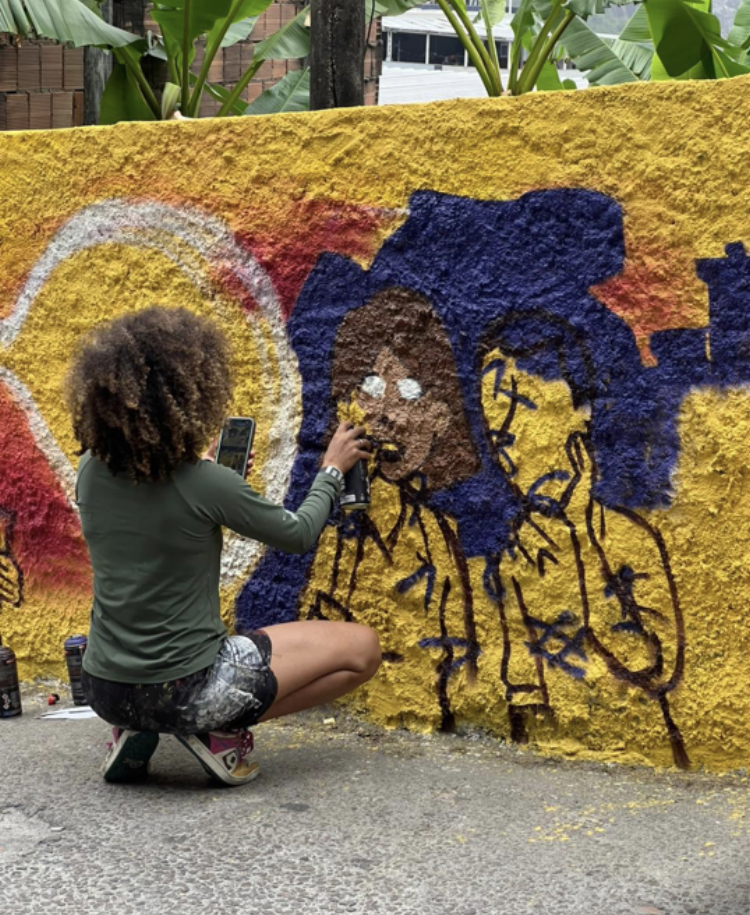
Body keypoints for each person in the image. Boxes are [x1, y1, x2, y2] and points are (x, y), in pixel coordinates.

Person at [66, 305, 381, 786]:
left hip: (104, 689)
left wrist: (214, 478)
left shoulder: (90, 472)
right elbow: (297, 534)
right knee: (363, 649)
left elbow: (163, 518)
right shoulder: (206, 483)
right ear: (190, 397)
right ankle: (221, 730)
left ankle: (132, 730)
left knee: (143, 694)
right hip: (186, 692)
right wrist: (332, 472)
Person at [301, 287, 483, 731]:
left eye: (412, 390)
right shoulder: (336, 535)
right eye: (370, 387)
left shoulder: (439, 539)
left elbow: (454, 651)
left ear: (442, 416)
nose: (386, 414)